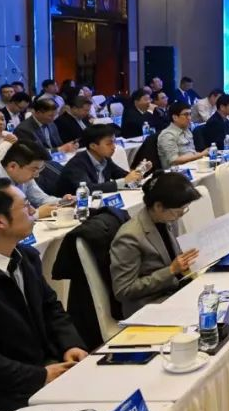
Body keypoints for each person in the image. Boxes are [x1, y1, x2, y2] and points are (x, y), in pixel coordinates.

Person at [0, 179, 87, 411]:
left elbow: (50, 307)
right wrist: (40, 376)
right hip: (4, 392)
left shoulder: (27, 256)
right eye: (25, 206)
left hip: (45, 368)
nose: (33, 211)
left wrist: (70, 345)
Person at [109, 172, 201, 317]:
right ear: (158, 206)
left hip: (176, 291)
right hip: (149, 304)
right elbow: (123, 290)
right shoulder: (130, 236)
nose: (181, 215)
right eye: (178, 211)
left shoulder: (168, 219)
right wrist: (171, 270)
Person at [57, 125, 142, 196]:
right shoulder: (77, 164)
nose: (114, 147)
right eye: (109, 144)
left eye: (114, 142)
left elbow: (122, 175)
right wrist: (124, 181)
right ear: (93, 146)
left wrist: (139, 171)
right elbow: (89, 189)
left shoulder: (105, 158)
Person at [0, 142, 62, 218]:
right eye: (34, 170)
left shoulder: (23, 176)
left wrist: (62, 202)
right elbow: (0, 219)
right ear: (13, 166)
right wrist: (36, 214)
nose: (37, 175)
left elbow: (41, 199)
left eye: (39, 170)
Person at [157, 103, 205, 168]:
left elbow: (192, 152)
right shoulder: (167, 135)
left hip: (193, 165)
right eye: (186, 115)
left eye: (190, 114)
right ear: (175, 117)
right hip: (176, 171)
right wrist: (201, 154)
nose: (189, 118)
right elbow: (174, 160)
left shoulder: (187, 130)